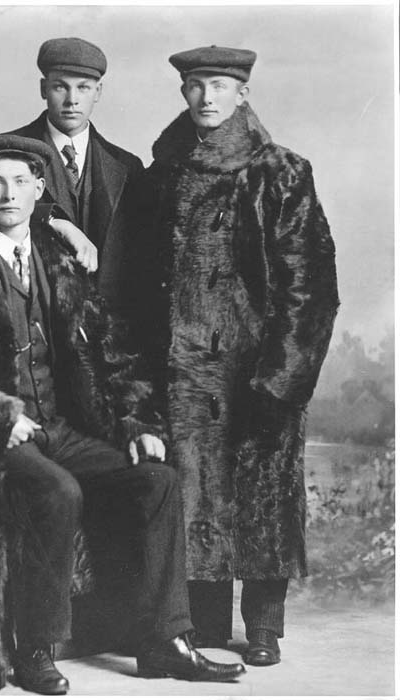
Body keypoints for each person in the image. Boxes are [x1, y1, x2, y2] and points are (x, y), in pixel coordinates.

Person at [0, 134, 245, 694]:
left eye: (21, 181)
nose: (9, 193)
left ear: (39, 190)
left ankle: (164, 642)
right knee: (58, 493)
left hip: (59, 427)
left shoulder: (61, 261)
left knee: (157, 480)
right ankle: (35, 650)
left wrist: (136, 424)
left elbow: (108, 350)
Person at [136, 45, 339, 666]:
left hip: (255, 371)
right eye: (195, 85)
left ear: (243, 93)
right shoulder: (162, 174)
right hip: (184, 370)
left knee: (262, 498)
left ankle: (266, 627)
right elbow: (139, 282)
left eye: (219, 85)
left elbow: (310, 286)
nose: (205, 97)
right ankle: (203, 626)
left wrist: (282, 379)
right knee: (195, 498)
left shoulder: (280, 171)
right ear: (184, 93)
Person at [0, 36, 144, 313]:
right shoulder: (3, 151)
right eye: (60, 87)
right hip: (34, 321)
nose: (72, 100)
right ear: (44, 89)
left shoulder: (127, 165)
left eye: (83, 88)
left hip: (108, 330)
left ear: (98, 92)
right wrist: (51, 219)